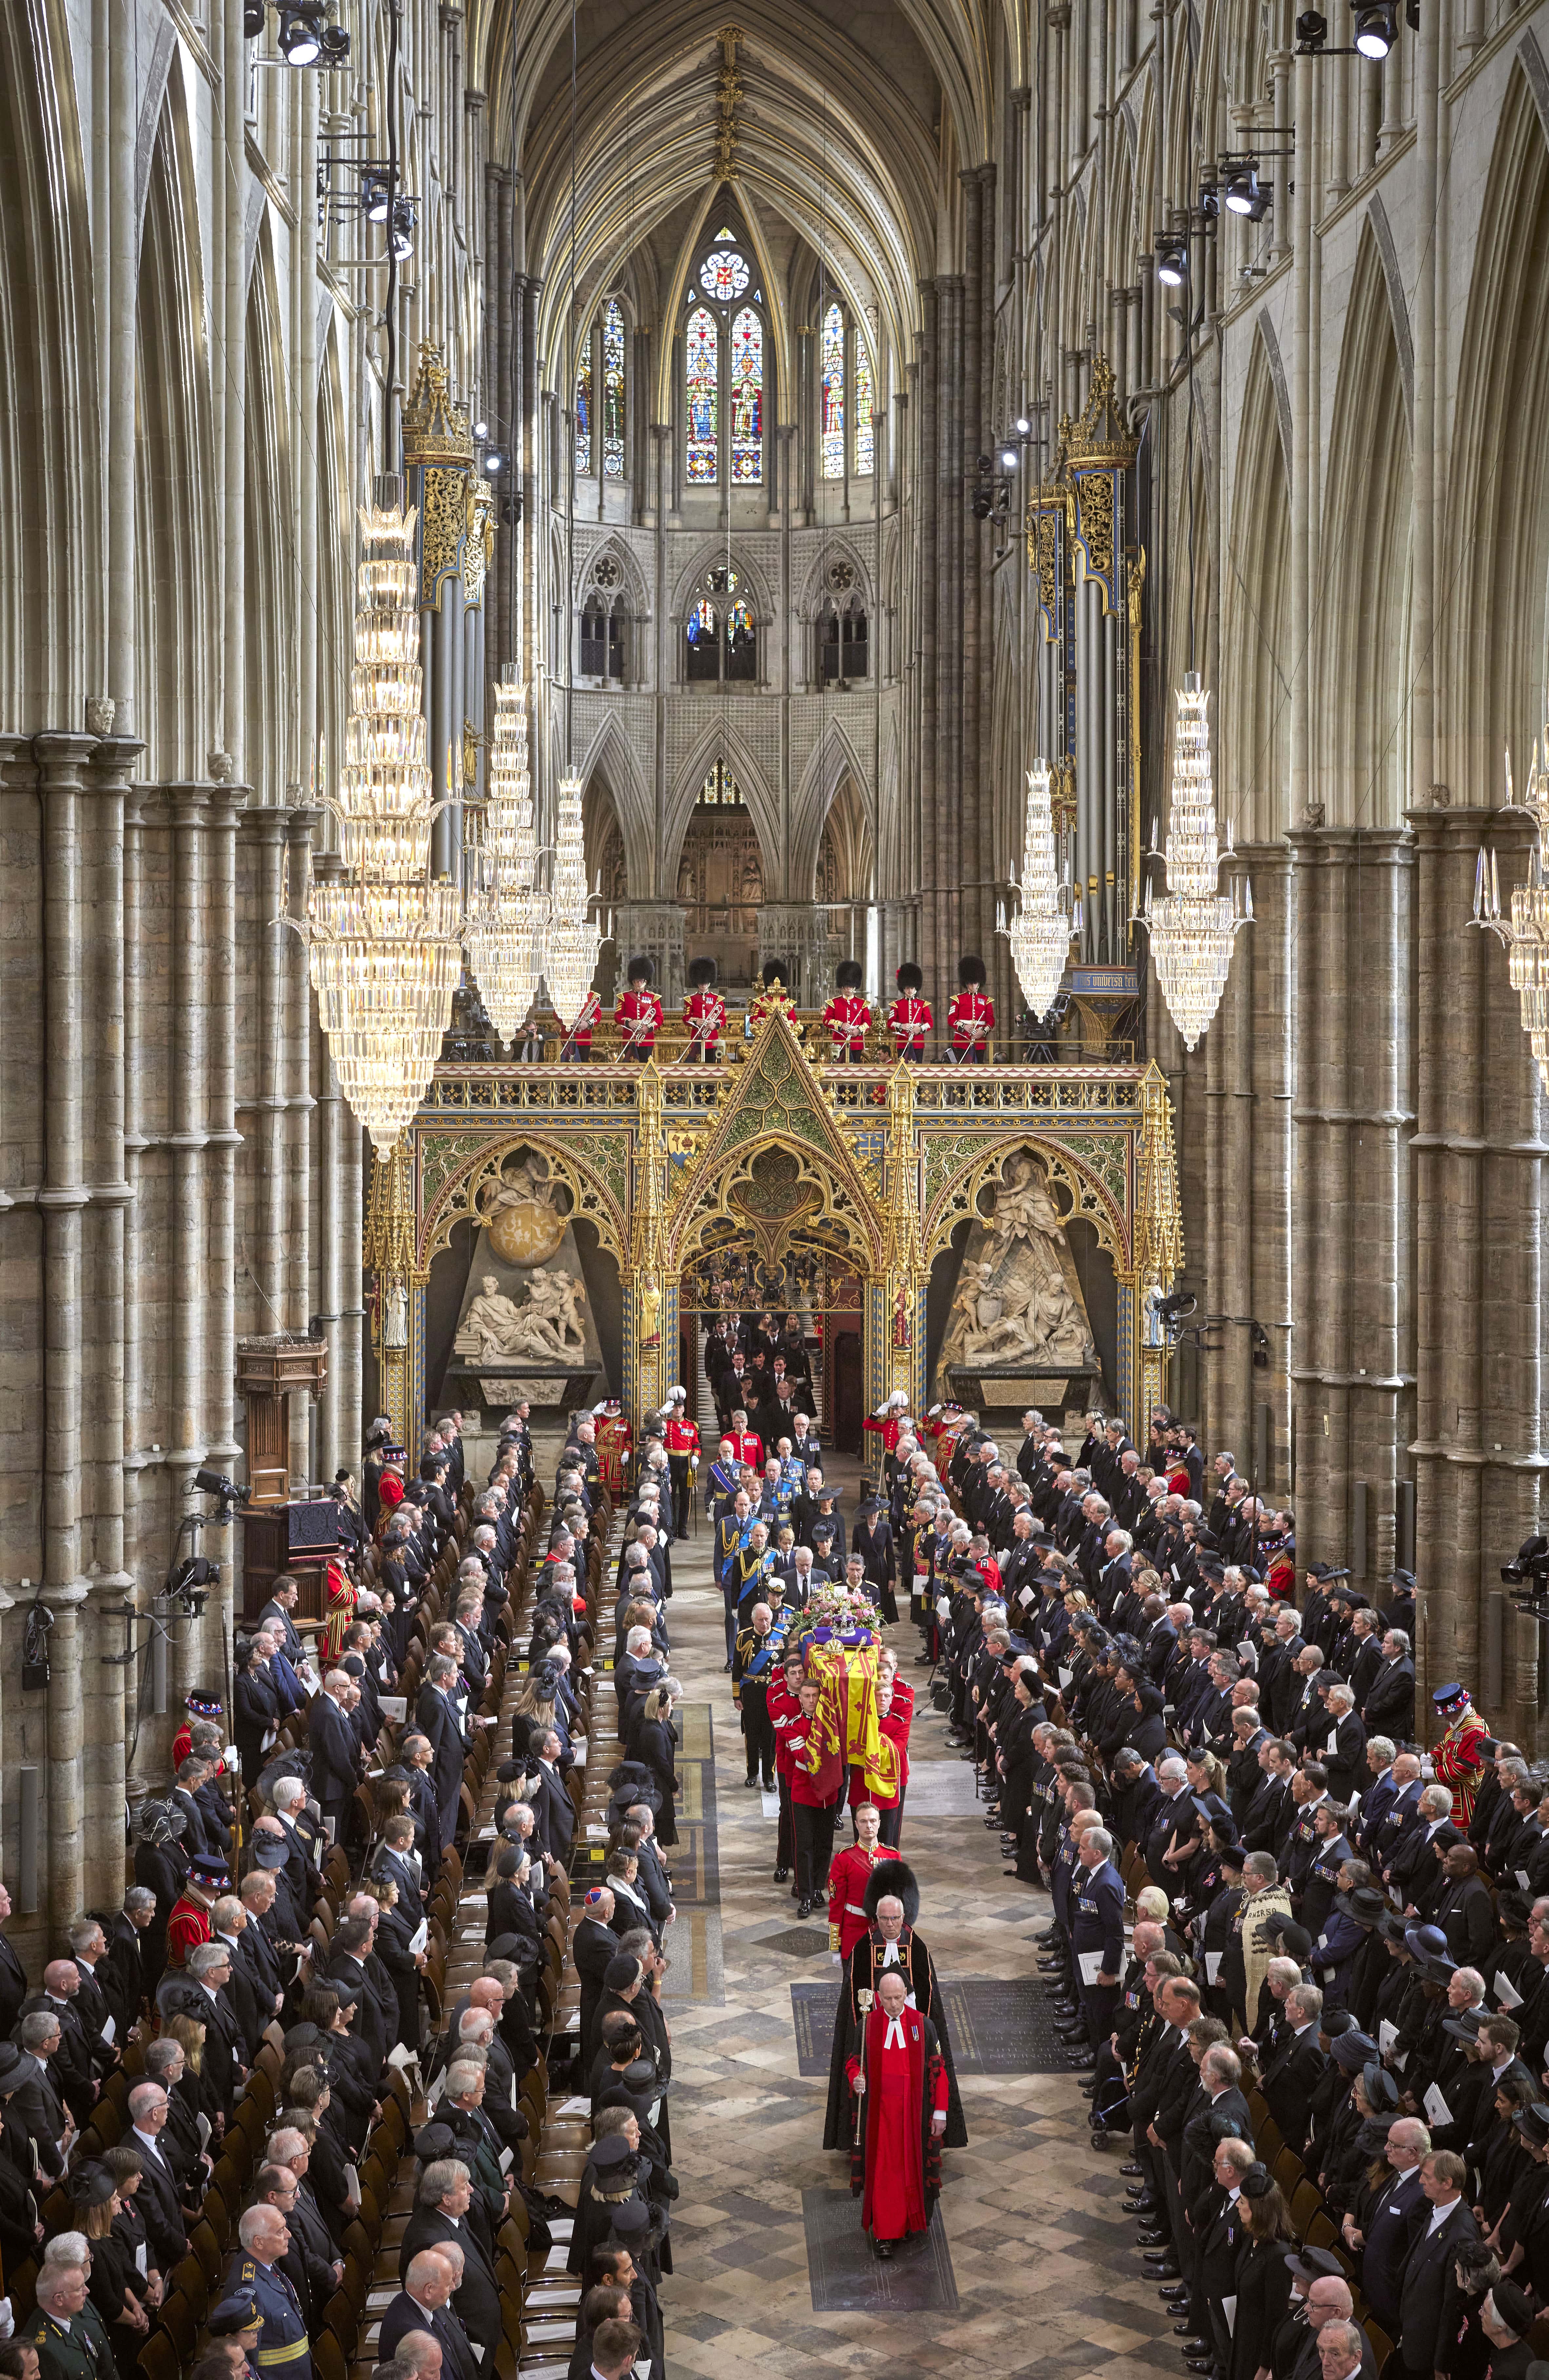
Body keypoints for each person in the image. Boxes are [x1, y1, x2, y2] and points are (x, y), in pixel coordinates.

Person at [845, 1968, 949, 2257]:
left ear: (906, 1995)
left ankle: (909, 2224)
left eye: (898, 1997)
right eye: (888, 1998)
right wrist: (856, 2078)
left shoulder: (922, 2025)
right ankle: (884, 2233)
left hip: (913, 2116)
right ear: (878, 1997)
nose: (893, 2004)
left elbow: (938, 2070)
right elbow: (854, 2062)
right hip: (881, 2117)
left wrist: (940, 2111)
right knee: (884, 2174)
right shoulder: (867, 2025)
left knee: (910, 2171)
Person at [947, 953, 994, 1063]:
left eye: (975, 983)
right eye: (971, 984)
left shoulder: (986, 1000)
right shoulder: (958, 999)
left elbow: (991, 1021)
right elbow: (951, 1019)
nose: (973, 986)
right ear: (966, 983)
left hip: (980, 1041)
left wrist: (983, 1032)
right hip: (962, 1040)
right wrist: (964, 1027)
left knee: (979, 1068)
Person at [823, 958, 871, 1061]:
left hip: (856, 1044)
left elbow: (867, 1022)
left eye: (851, 986)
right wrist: (841, 1025)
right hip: (839, 1043)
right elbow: (827, 1020)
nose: (849, 988)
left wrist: (858, 1031)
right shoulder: (834, 1003)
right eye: (847, 986)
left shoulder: (862, 1004)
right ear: (842, 986)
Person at [615, 957, 662, 1059]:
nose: (639, 983)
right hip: (629, 1038)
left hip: (647, 1040)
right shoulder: (624, 997)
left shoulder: (654, 998)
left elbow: (659, 1018)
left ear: (646, 981)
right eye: (637, 980)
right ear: (633, 981)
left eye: (642, 980)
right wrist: (629, 1023)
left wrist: (648, 1028)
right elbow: (618, 1016)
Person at [683, 956, 725, 1061]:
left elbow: (723, 1018)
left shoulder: (717, 999)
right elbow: (686, 1018)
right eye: (701, 982)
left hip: (712, 1040)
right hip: (697, 1039)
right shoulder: (690, 1000)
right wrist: (696, 1021)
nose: (703, 984)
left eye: (705, 982)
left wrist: (714, 1025)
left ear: (710, 981)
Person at [886, 961, 931, 1060]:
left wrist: (919, 1029)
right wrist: (902, 1026)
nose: (910, 990)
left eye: (912, 988)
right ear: (903, 988)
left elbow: (930, 1023)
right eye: (907, 988)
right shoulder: (897, 1005)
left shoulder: (922, 1004)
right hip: (903, 1042)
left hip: (918, 1043)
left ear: (916, 988)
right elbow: (890, 1023)